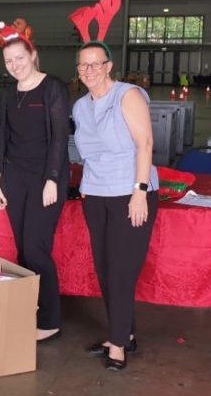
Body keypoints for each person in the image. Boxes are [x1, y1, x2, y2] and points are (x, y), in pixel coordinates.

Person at [72, 41, 159, 371]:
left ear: (109, 66)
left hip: (130, 193)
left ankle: (118, 343)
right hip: (96, 195)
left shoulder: (128, 95)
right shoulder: (80, 106)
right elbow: (88, 153)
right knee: (107, 270)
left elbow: (145, 144)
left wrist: (139, 191)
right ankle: (126, 333)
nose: (89, 71)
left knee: (122, 272)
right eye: (83, 66)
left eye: (96, 64)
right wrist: (84, 189)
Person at [0, 21, 70, 342]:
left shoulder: (53, 87)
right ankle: (31, 311)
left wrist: (52, 179)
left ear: (32, 55)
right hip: (14, 177)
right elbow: (3, 139)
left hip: (45, 178)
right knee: (23, 251)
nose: (15, 66)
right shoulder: (9, 94)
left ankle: (51, 320)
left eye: (19, 59)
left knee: (37, 250)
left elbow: (60, 139)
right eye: (9, 61)